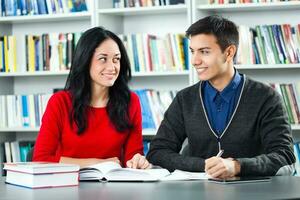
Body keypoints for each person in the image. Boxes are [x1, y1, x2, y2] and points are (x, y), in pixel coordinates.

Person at [147, 15, 295, 178]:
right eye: (192, 51)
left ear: (229, 52)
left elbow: (284, 157)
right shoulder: (185, 99)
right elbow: (157, 152)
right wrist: (204, 165)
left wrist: (237, 166)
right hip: (199, 192)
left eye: (204, 51)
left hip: (253, 192)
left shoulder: (266, 97)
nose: (195, 61)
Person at [33, 27, 150, 169]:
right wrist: (97, 163)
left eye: (116, 59)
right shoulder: (60, 102)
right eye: (103, 59)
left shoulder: (131, 102)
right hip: (66, 186)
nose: (112, 67)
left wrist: (138, 162)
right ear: (85, 60)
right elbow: (41, 159)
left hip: (113, 187)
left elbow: (132, 157)